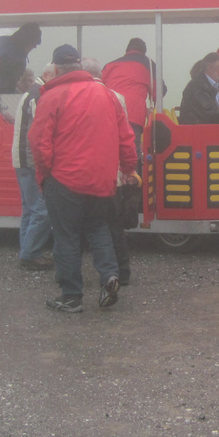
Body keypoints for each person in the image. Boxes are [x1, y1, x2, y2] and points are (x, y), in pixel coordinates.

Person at [29, 44, 137, 313]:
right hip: (101, 179)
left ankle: (71, 296)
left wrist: (45, 175)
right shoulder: (107, 94)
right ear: (79, 65)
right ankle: (110, 275)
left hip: (64, 179)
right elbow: (126, 136)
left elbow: (40, 143)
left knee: (66, 237)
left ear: (56, 69)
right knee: (99, 229)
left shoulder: (52, 96)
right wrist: (128, 168)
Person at [82, 56, 134, 286]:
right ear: (101, 75)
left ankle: (71, 275)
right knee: (114, 225)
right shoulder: (117, 97)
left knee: (79, 226)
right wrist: (128, 168)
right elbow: (125, 137)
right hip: (113, 173)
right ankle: (122, 271)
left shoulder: (76, 97)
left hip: (84, 173)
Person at [13, 62, 55, 269]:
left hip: (21, 159)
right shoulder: (39, 95)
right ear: (47, 75)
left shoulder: (31, 93)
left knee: (29, 210)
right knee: (42, 210)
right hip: (30, 160)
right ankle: (30, 255)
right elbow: (40, 132)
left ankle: (27, 251)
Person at [101, 38, 162, 171]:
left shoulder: (110, 65)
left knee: (110, 148)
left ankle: (113, 179)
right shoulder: (149, 64)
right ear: (144, 52)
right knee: (131, 149)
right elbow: (159, 91)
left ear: (127, 50)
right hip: (133, 113)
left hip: (110, 111)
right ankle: (133, 180)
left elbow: (99, 86)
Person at [179, 52, 219, 125]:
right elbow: (211, 113)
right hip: (196, 129)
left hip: (213, 128)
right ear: (210, 68)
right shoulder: (197, 86)